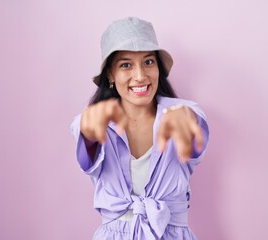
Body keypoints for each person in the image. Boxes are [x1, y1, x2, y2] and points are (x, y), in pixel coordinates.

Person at [70, 16, 209, 240]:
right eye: (126, 65)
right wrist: (88, 136)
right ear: (110, 74)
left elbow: (196, 135)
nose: (140, 76)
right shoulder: (94, 122)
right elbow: (87, 160)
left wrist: (189, 122)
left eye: (148, 62)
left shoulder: (182, 114)